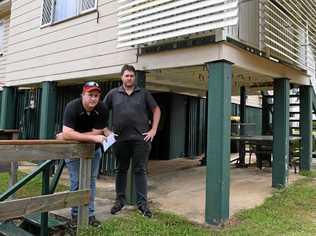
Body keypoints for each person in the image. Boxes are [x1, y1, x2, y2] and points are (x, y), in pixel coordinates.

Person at [103, 64, 161, 217]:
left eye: (131, 76)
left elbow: (156, 110)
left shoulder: (143, 93)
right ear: (121, 77)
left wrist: (153, 130)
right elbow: (101, 112)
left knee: (140, 170)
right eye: (126, 75)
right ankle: (119, 201)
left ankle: (143, 204)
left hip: (140, 140)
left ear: (134, 77)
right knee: (121, 170)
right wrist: (106, 131)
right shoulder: (113, 94)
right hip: (119, 140)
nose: (129, 78)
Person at [57, 81, 110, 227]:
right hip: (74, 150)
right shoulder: (72, 107)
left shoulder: (102, 108)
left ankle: (90, 214)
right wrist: (91, 137)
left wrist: (70, 134)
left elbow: (98, 132)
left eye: (96, 95)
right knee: (76, 181)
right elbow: (72, 135)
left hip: (94, 150)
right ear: (83, 94)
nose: (93, 98)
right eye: (90, 95)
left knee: (91, 181)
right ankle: (75, 215)